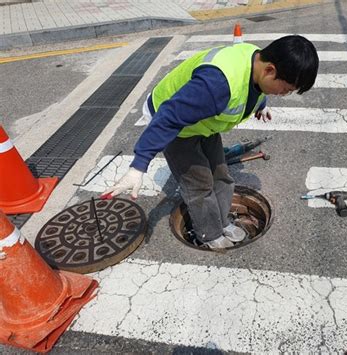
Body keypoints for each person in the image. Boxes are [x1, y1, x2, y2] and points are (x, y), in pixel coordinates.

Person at [101, 35, 319, 249]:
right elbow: (168, 118)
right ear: (270, 70)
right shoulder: (216, 85)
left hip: (204, 121)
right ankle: (209, 233)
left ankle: (222, 221)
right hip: (174, 125)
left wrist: (261, 104)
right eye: (286, 89)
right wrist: (138, 166)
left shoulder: (257, 60)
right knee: (199, 184)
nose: (283, 94)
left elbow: (254, 88)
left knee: (221, 176)